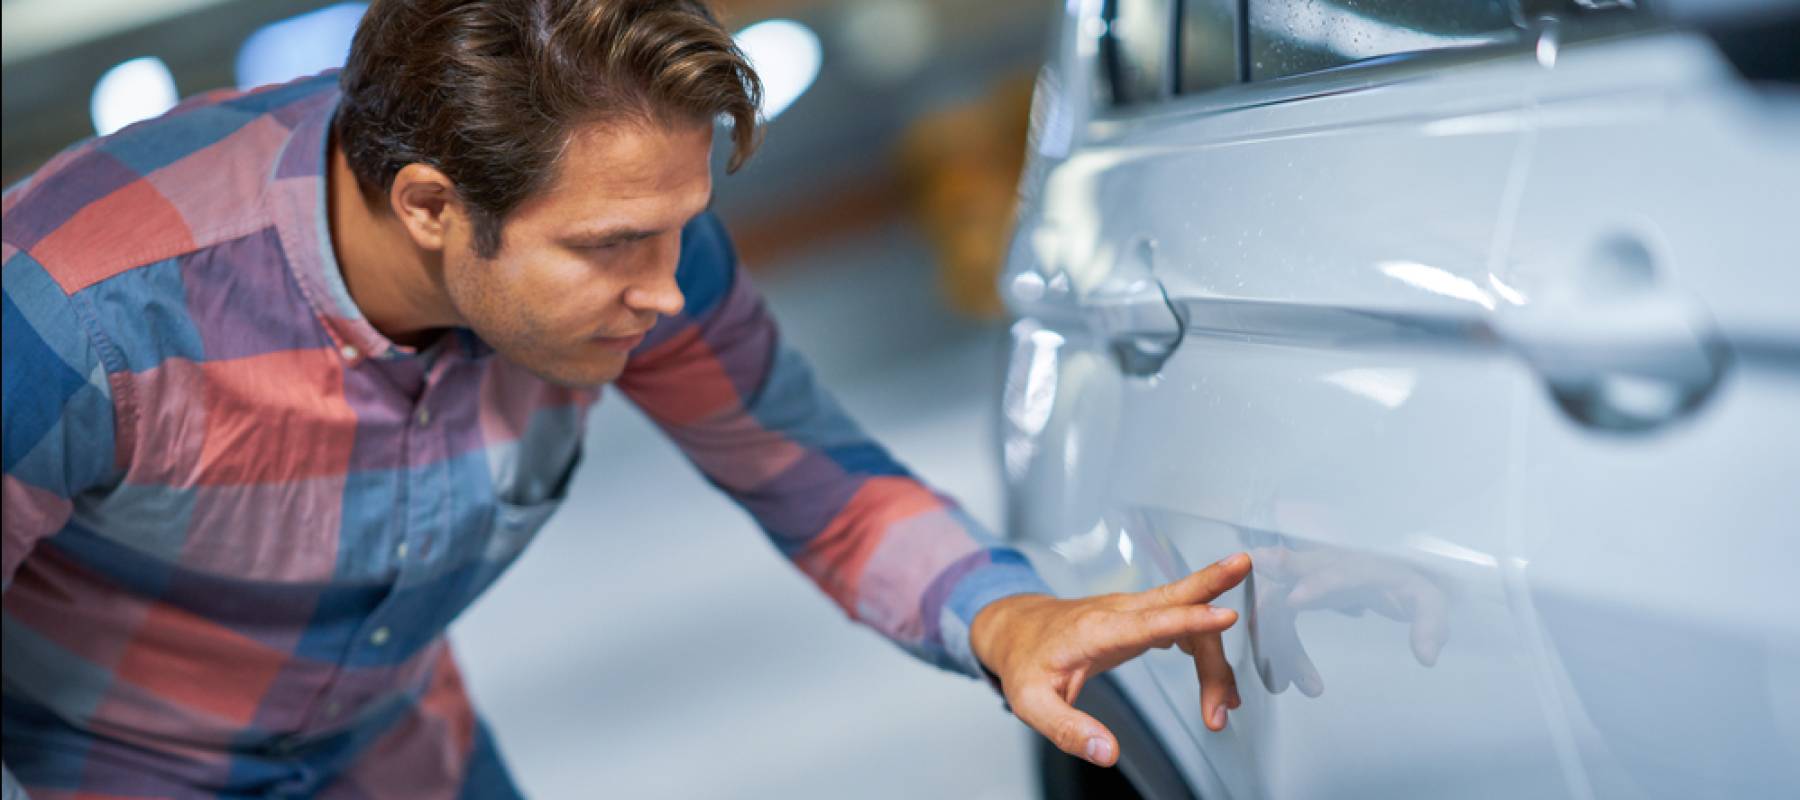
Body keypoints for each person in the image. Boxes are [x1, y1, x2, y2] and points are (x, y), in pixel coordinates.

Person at [0, 1, 1250, 796]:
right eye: (610, 247)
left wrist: (1008, 615)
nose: (668, 294)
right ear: (432, 205)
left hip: (397, 746)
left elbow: (812, 475)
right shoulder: (78, 317)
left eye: (681, 230)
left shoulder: (636, 247)